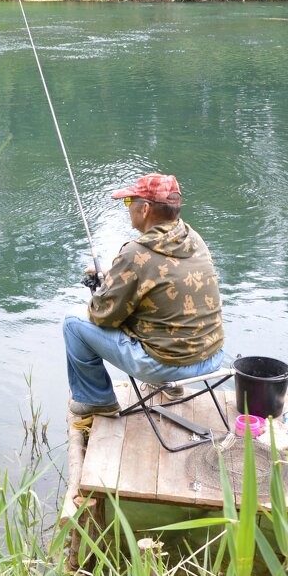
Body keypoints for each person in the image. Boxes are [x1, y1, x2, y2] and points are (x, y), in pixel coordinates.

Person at [64, 172, 226, 417]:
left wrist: (106, 289)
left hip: (168, 366)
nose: (127, 208)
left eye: (130, 202)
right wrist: (115, 276)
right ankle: (170, 389)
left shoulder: (135, 253)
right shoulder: (194, 239)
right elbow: (165, 280)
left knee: (73, 323)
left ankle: (97, 400)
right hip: (212, 357)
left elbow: (102, 316)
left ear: (146, 209)